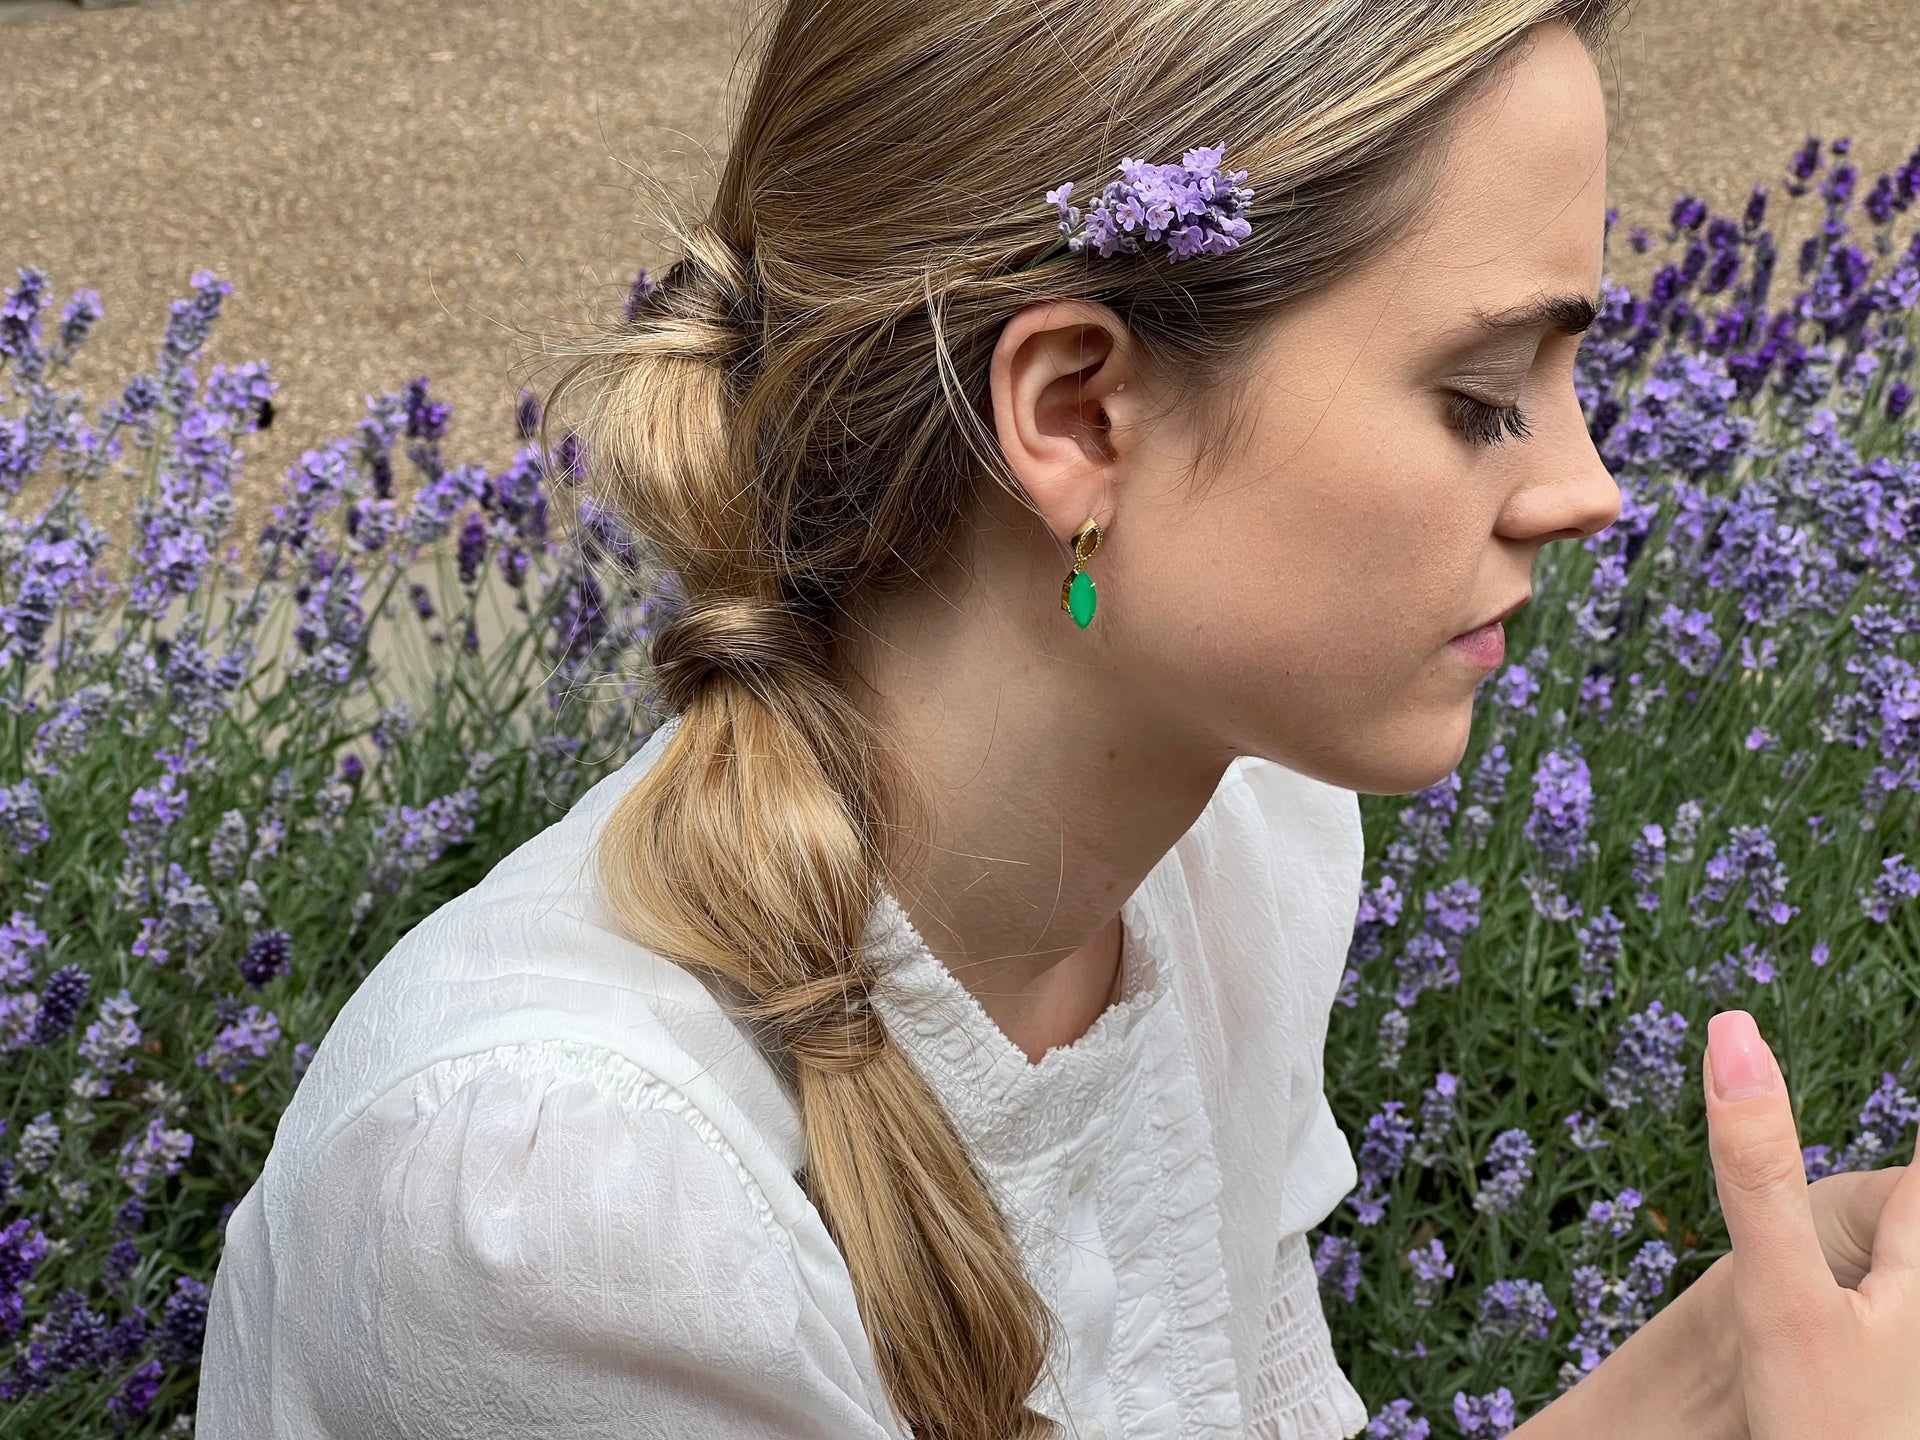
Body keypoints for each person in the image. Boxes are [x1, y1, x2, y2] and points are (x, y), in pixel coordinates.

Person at [196, 3, 1920, 1438]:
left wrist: (1720, 1373)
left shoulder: (1220, 856)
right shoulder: (558, 1219)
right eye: (1482, 397)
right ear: (1078, 411)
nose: (1589, 487)